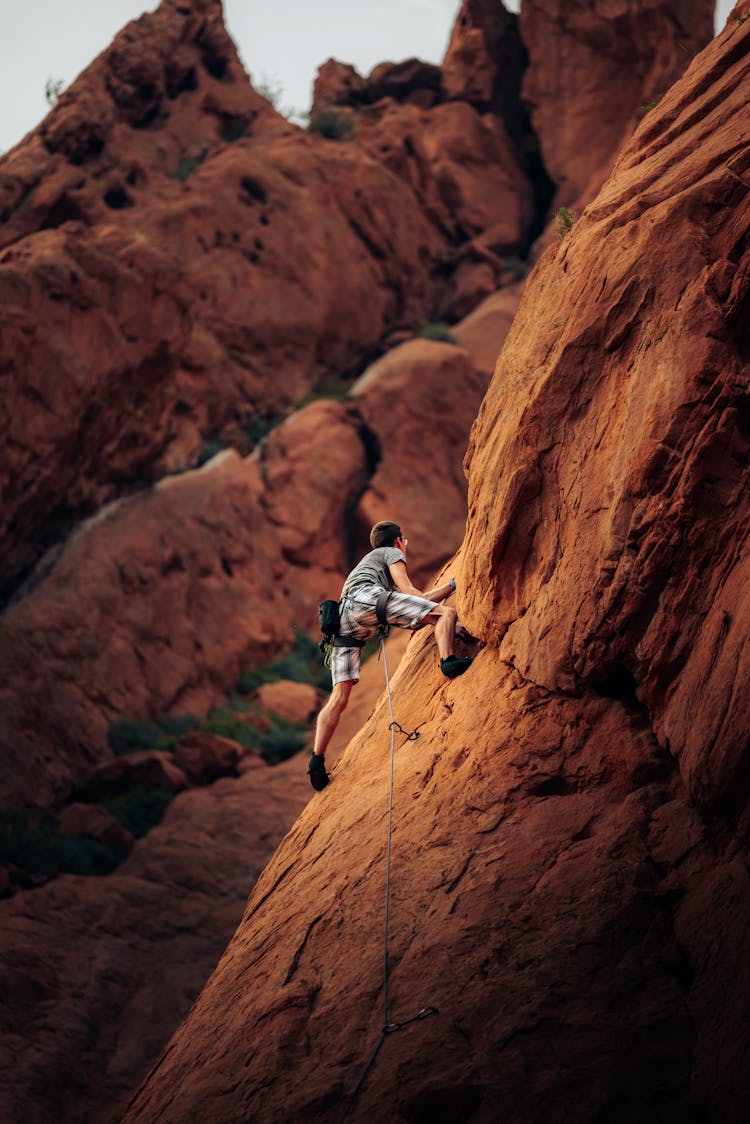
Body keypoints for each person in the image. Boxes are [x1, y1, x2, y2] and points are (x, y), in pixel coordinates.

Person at [309, 520, 472, 791]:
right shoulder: (391, 553)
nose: (405, 546)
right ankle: (448, 661)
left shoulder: (367, 564)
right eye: (403, 542)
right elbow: (410, 592)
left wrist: (451, 586)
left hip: (346, 620)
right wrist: (448, 612)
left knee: (339, 697)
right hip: (370, 602)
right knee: (446, 614)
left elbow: (413, 602)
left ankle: (316, 760)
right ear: (397, 541)